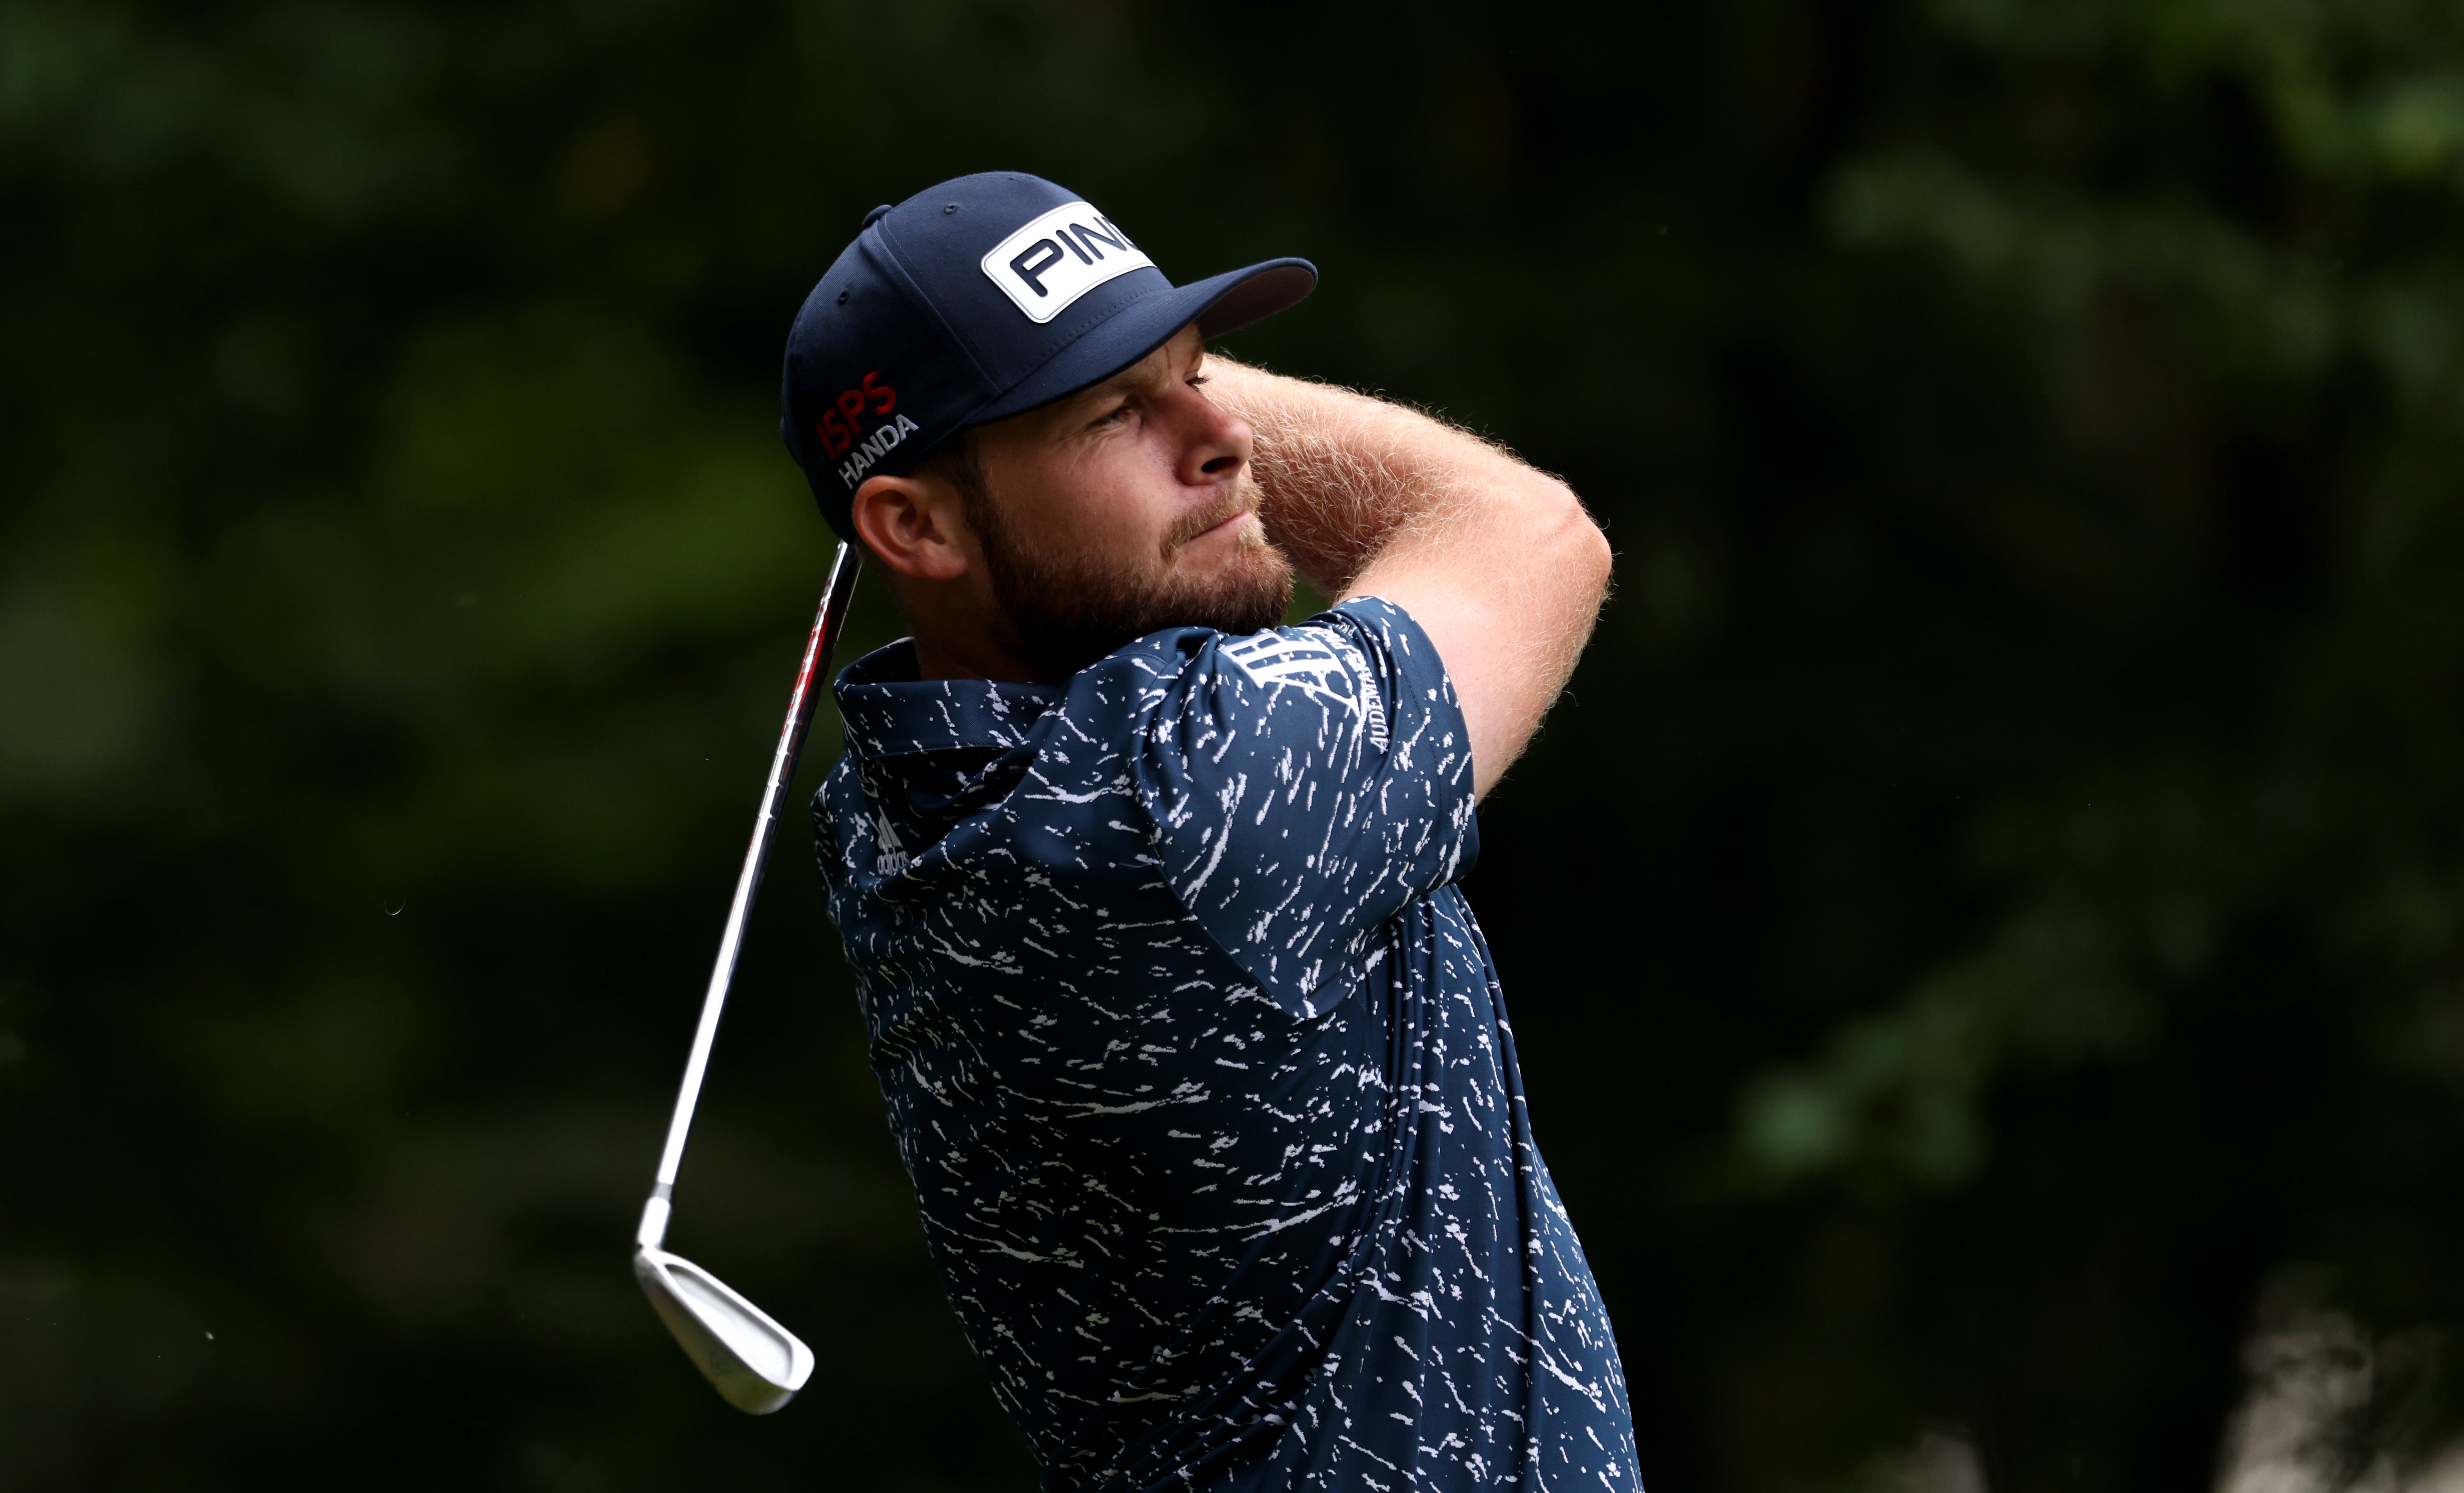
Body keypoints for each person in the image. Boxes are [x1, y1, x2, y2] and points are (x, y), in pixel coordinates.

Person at [781, 173, 1630, 1492]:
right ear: (913, 526)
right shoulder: (1182, 797)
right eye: (1116, 412)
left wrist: (1091, 366)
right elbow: (1530, 532)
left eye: (1198, 371)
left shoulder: (890, 805)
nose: (1225, 432)